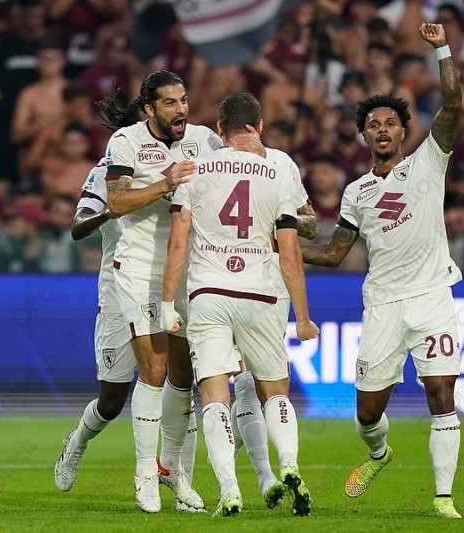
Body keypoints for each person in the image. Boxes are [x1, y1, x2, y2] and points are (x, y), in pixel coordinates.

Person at [297, 23, 464, 519]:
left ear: (403, 131)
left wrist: (442, 48)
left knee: (442, 394)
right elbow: (333, 254)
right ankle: (378, 454)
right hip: (384, 305)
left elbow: (452, 104)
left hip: (433, 296)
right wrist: (280, 246)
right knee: (368, 413)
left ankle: (443, 498)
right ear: (364, 135)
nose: (384, 129)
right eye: (374, 124)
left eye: (391, 122)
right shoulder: (356, 192)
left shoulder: (429, 160)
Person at [161, 92, 319, 516]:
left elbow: (178, 243)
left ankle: (230, 488)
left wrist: (166, 302)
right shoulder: (278, 170)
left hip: (208, 293)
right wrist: (303, 317)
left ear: (219, 129)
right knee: (274, 391)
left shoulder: (194, 168)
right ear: (259, 126)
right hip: (261, 292)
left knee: (215, 396)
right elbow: (291, 252)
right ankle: (288, 464)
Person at [100, 71, 226, 513]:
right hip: (139, 269)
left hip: (189, 270)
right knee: (153, 371)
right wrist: (165, 183)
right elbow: (116, 202)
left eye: (184, 100)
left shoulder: (206, 141)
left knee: (183, 377)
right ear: (149, 109)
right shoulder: (126, 142)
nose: (181, 109)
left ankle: (172, 469)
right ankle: (145, 474)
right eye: (170, 103)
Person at [54, 157, 138, 491]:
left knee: (172, 385)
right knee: (112, 402)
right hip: (118, 293)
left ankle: (164, 473)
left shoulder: (178, 160)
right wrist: (109, 212)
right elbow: (78, 227)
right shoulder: (107, 171)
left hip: (166, 289)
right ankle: (77, 441)